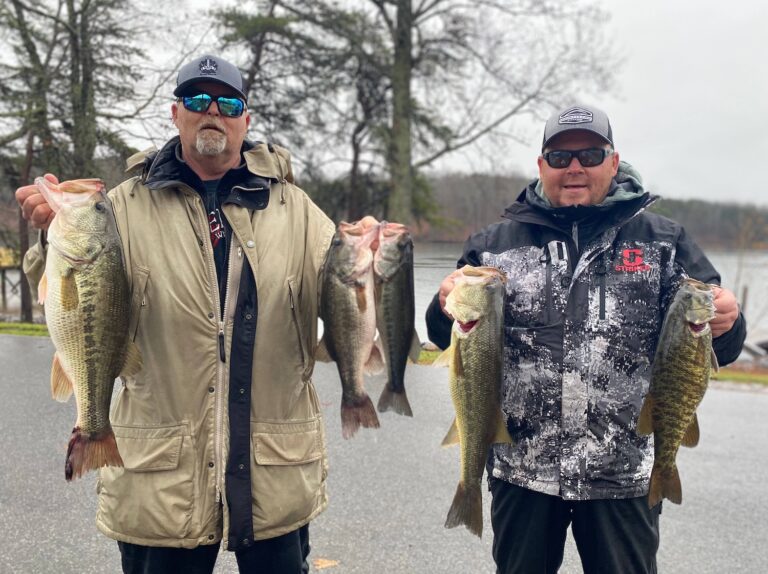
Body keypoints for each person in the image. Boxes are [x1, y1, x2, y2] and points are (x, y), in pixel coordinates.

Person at [17, 54, 336, 574]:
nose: (213, 110)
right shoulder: (117, 206)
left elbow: (345, 289)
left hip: (274, 471)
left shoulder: (296, 210)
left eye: (228, 102)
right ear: (176, 114)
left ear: (246, 121)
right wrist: (44, 233)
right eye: (197, 99)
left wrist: (374, 263)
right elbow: (67, 296)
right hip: (158, 478)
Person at [425, 104, 746, 574]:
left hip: (623, 474)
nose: (574, 168)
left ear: (613, 163)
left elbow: (716, 347)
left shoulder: (664, 243)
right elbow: (444, 336)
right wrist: (442, 304)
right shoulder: (493, 246)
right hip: (523, 471)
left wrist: (729, 321)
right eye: (559, 158)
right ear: (541, 167)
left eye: (590, 155)